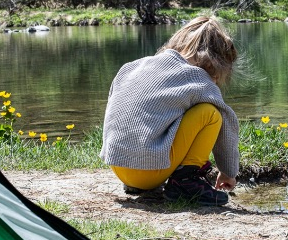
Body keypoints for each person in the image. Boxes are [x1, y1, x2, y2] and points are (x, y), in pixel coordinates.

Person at [100, 16, 240, 206]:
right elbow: (227, 122)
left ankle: (139, 184)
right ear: (216, 61)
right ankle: (185, 182)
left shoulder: (132, 66)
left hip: (118, 166)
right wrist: (228, 171)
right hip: (148, 173)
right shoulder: (196, 77)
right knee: (211, 113)